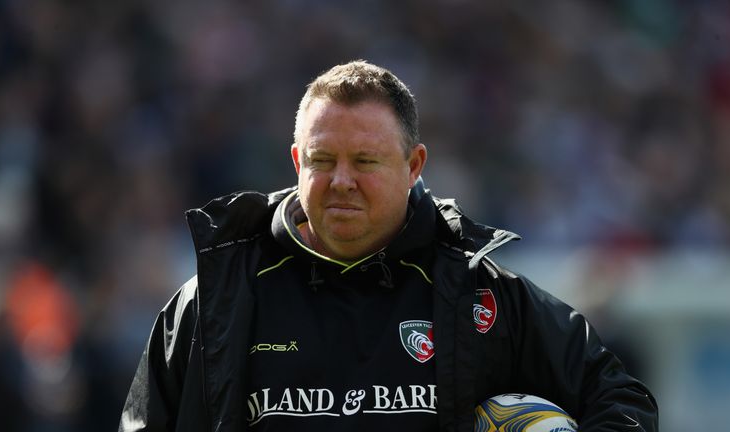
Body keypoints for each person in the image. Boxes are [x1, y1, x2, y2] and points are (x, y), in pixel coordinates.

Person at [118, 60, 658, 431]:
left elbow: (622, 400)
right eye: (322, 161)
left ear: (413, 166)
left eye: (366, 161)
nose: (342, 181)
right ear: (296, 163)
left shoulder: (479, 296)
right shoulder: (214, 302)